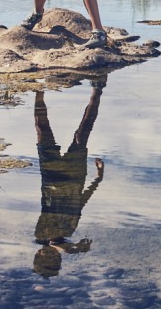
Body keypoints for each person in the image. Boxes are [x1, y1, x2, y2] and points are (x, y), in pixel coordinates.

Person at [31, 80, 106, 278]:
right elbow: (80, 202)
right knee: (83, 132)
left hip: (51, 175)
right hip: (74, 176)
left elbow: (53, 240)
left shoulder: (40, 235)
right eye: (52, 260)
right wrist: (99, 177)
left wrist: (71, 249)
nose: (43, 254)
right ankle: (97, 88)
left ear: (39, 254)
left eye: (43, 258)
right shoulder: (70, 230)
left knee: (42, 129)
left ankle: (40, 88)